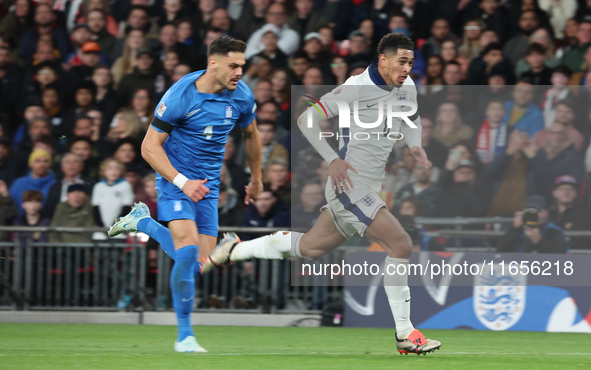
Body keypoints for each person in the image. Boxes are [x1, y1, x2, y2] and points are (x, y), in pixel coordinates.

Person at [203, 33, 441, 355]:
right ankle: (405, 333)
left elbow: (410, 119)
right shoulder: (356, 88)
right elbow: (306, 119)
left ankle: (234, 249)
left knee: (310, 248)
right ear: (382, 60)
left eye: (411, 62)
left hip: (368, 188)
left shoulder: (406, 87)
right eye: (402, 61)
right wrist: (333, 160)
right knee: (401, 244)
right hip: (350, 186)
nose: (407, 68)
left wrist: (415, 144)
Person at [108, 36, 262, 353]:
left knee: (198, 265)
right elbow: (149, 147)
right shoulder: (180, 95)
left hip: (207, 188)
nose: (239, 73)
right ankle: (185, 337)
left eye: (242, 67)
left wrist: (256, 178)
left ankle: (144, 223)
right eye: (233, 66)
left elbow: (251, 134)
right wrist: (181, 181)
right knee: (188, 249)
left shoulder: (241, 96)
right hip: (174, 181)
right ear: (213, 63)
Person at [496, 195, 568, 253]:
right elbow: (500, 251)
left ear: (546, 213)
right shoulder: (518, 229)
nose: (533, 215)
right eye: (529, 211)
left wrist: (538, 241)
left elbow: (558, 259)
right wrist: (514, 229)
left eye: (537, 211)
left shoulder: (553, 231)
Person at [9, 149, 56, 216]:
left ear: (50, 164)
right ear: (31, 164)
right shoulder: (18, 183)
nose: (42, 164)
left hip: (47, 224)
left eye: (46, 161)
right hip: (19, 224)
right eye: (37, 161)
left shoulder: (55, 185)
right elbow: (11, 207)